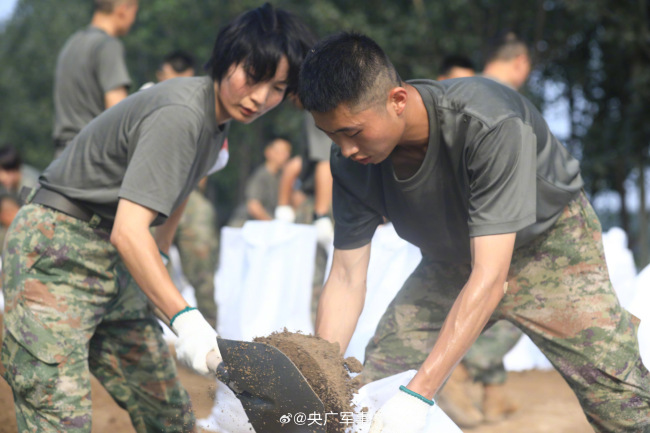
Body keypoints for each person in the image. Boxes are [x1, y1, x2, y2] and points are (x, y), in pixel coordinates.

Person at [298, 32, 650, 433]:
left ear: (397, 100)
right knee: (380, 383)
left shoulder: (488, 123)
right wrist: (320, 374)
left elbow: (490, 277)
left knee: (623, 403)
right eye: (332, 135)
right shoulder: (351, 165)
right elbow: (344, 276)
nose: (345, 150)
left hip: (551, 248)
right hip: (453, 262)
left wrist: (419, 394)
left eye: (354, 132)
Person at [0, 5, 314, 432]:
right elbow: (130, 232)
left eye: (277, 87)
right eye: (252, 76)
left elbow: (160, 235)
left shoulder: (215, 128)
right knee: (60, 418)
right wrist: (188, 323)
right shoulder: (181, 113)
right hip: (57, 251)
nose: (260, 97)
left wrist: (168, 294)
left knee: (168, 415)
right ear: (225, 58)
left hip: (111, 263)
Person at [440, 32, 533, 426]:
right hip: (499, 216)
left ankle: (492, 395)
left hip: (471, 216)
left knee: (496, 301)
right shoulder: (499, 98)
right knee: (524, 298)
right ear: (521, 62)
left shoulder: (471, 92)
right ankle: (461, 368)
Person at [145, 50, 223, 328]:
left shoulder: (205, 106)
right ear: (160, 74)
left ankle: (211, 329)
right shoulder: (147, 97)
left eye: (184, 76)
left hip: (188, 198)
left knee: (202, 270)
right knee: (147, 264)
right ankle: (149, 330)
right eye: (172, 74)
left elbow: (209, 159)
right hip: (149, 194)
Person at [52, 0, 138, 154]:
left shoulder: (71, 45)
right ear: (123, 10)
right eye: (134, 12)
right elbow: (119, 113)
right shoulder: (107, 46)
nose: (134, 19)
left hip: (62, 158)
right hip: (92, 157)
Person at [229, 138, 292, 226]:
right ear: (268, 152)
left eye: (287, 152)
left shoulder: (283, 177)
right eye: (282, 152)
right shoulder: (261, 176)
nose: (286, 155)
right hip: (244, 225)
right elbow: (253, 206)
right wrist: (273, 224)